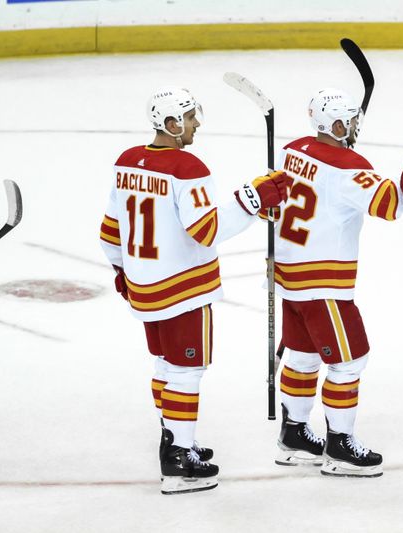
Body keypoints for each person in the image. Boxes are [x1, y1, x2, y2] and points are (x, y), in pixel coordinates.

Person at [99, 86, 288, 494]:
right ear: (170, 124)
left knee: (166, 368)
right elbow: (207, 231)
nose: (196, 123)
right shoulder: (187, 167)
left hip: (143, 288)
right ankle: (178, 460)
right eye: (189, 117)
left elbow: (110, 231)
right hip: (182, 290)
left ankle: (173, 437)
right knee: (187, 371)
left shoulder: (126, 161)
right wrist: (253, 199)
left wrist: (121, 272)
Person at [273, 87, 403, 478]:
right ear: (336, 125)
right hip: (323, 285)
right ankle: (339, 446)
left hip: (289, 276)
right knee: (349, 361)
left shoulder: (292, 151)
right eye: (351, 120)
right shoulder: (348, 165)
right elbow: (390, 205)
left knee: (303, 358)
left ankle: (293, 434)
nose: (356, 125)